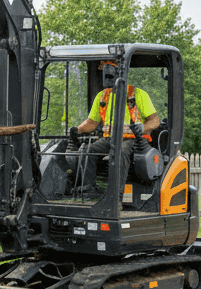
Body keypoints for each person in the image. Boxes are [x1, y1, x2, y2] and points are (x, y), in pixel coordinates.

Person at [67, 62, 160, 194]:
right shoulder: (102, 96)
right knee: (87, 150)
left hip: (133, 139)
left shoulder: (136, 94)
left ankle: (117, 194)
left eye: (110, 74)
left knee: (120, 152)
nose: (107, 78)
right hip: (109, 139)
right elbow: (92, 122)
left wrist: (143, 127)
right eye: (105, 74)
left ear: (120, 73)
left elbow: (155, 121)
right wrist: (77, 130)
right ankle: (89, 188)